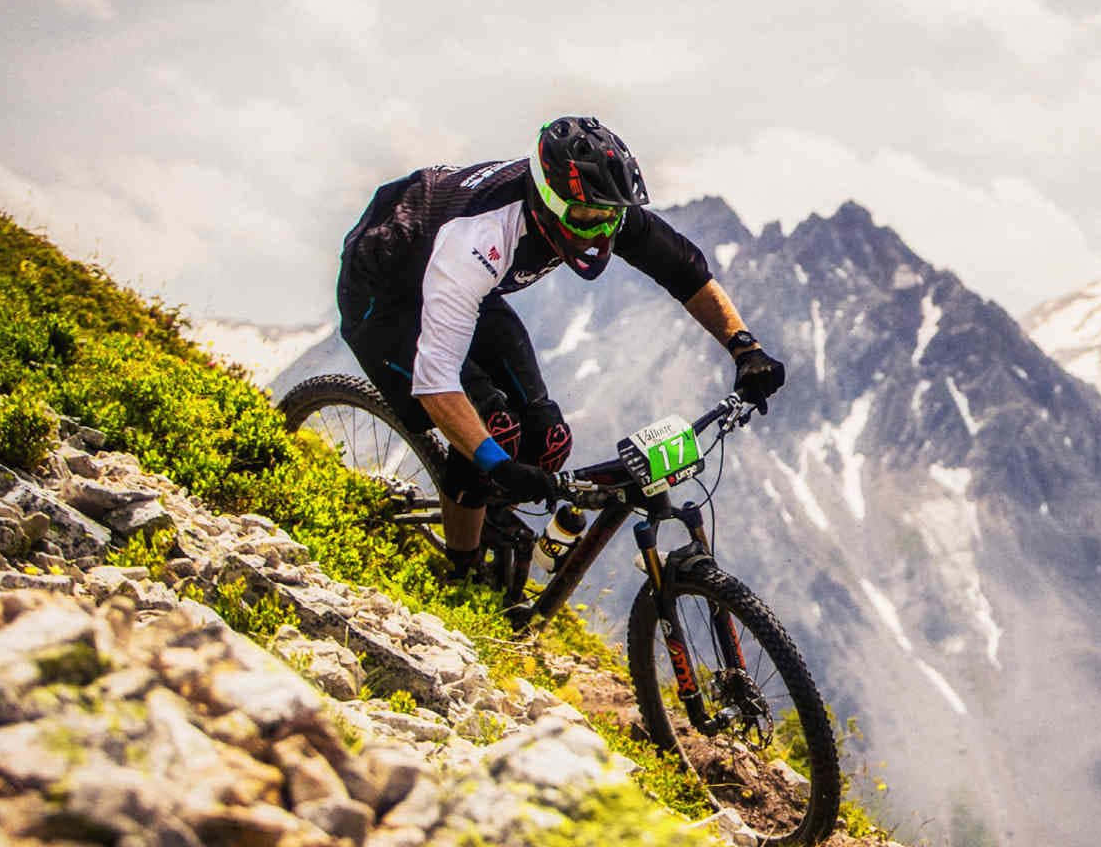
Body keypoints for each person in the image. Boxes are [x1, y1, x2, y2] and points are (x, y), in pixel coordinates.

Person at [335, 115, 785, 579]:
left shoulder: (600, 207)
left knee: (547, 439)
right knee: (492, 435)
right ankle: (460, 574)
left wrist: (744, 347)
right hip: (385, 294)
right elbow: (437, 385)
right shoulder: (479, 238)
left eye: (610, 218)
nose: (601, 233)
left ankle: (477, 509)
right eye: (587, 220)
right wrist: (496, 464)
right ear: (547, 201)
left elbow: (684, 270)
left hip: (459, 286)